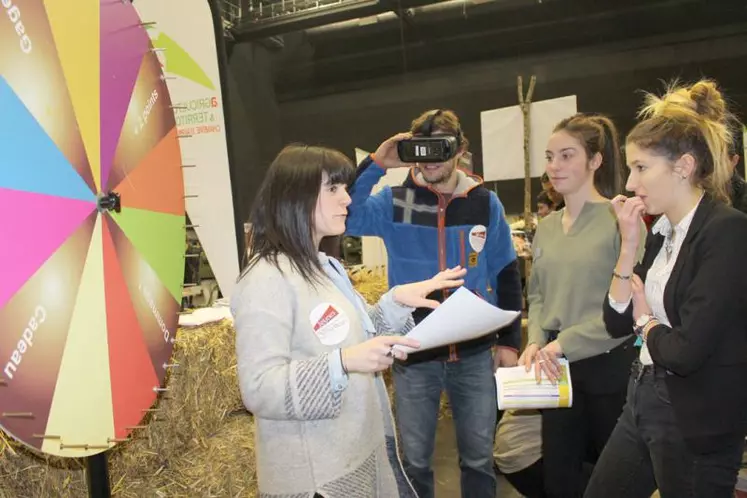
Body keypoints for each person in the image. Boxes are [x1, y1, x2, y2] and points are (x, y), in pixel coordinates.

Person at [232, 144, 469, 498]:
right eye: (333, 189)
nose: (347, 199)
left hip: (354, 454)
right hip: (317, 480)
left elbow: (353, 339)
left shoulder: (325, 267)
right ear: (295, 197)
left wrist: (395, 303)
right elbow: (258, 387)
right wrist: (342, 364)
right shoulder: (267, 278)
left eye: (344, 188)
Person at [346, 109, 523, 498]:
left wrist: (510, 343)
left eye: (439, 149)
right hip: (416, 353)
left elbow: (506, 272)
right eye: (420, 150)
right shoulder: (393, 201)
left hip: (475, 354)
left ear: (460, 149)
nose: (429, 160)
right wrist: (376, 164)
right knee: (415, 462)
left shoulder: (485, 203)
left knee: (479, 459)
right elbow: (347, 218)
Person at [584, 80, 747, 498]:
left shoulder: (726, 231)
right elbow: (613, 319)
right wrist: (629, 246)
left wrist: (645, 320)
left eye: (641, 168)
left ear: (683, 166)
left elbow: (686, 351)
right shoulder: (660, 233)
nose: (631, 182)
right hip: (643, 395)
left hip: (695, 416)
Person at [520, 112, 645, 498]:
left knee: (612, 477)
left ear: (595, 160)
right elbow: (538, 294)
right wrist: (536, 340)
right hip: (553, 367)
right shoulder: (548, 227)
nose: (555, 166)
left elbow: (624, 309)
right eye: (549, 156)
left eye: (567, 155)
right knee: (559, 474)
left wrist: (562, 344)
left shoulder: (620, 220)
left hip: (606, 363)